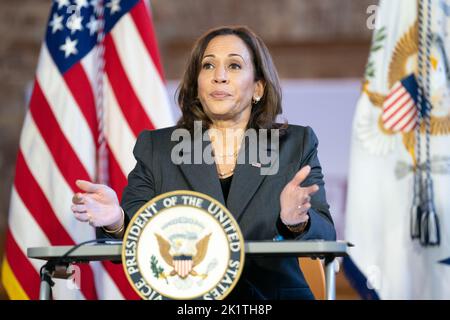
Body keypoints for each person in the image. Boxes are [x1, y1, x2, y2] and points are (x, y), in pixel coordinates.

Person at [71, 25, 336, 300]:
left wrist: (296, 222)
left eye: (234, 66)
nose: (219, 76)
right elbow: (138, 229)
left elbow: (326, 235)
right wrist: (116, 221)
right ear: (197, 85)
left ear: (258, 86)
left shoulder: (294, 144)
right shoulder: (158, 149)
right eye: (208, 66)